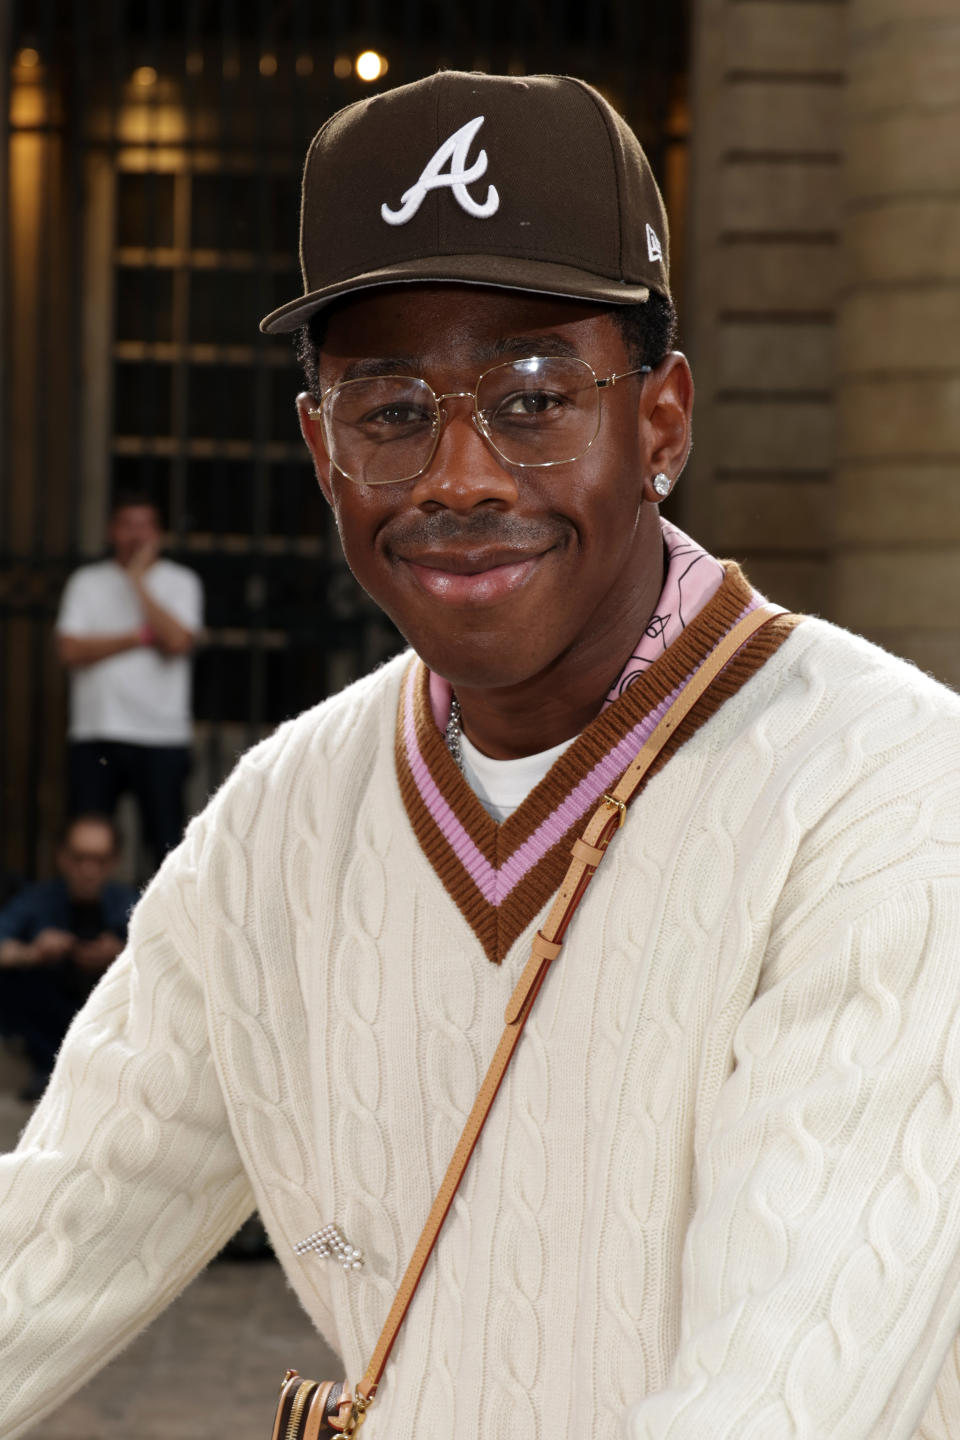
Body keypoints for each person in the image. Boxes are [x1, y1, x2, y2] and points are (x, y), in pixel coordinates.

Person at [2, 70, 960, 1440]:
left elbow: (786, 1392)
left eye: (533, 398)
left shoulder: (892, 800)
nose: (459, 474)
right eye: (390, 411)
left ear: (662, 422)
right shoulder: (285, 818)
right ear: (320, 452)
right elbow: (54, 1239)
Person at [55, 493, 203, 868]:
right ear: (111, 531)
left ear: (159, 533)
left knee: (165, 843)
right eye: (127, 525)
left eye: (145, 525)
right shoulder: (86, 582)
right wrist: (137, 638)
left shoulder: (181, 582)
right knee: (88, 839)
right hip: (97, 730)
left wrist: (138, 582)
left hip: (161, 735)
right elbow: (70, 651)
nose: (136, 535)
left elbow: (177, 642)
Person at [0, 814, 137, 1101]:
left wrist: (124, 956)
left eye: (99, 860)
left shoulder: (131, 903)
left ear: (113, 862)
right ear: (62, 857)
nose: (88, 870)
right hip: (48, 1020)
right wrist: (32, 954)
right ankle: (48, 1068)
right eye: (79, 858)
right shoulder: (37, 900)